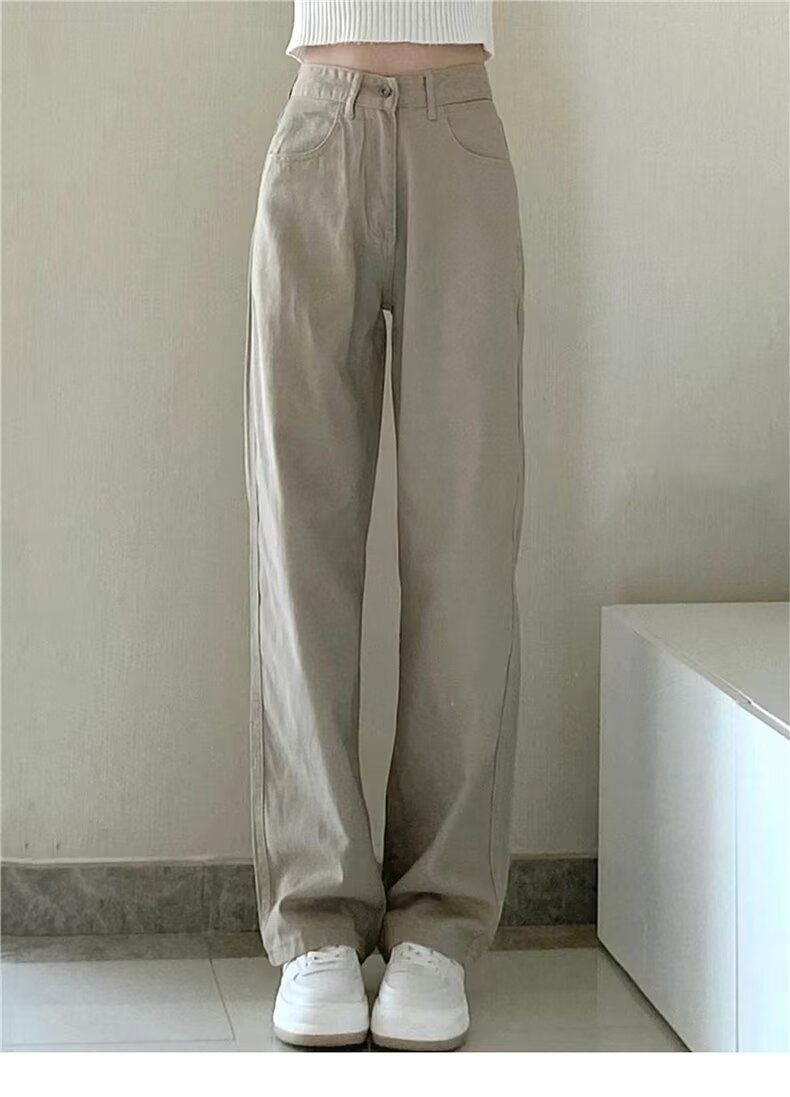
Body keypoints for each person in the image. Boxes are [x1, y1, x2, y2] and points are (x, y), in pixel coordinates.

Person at [242, 0, 525, 1051]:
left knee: (466, 539)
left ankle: (439, 922)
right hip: (318, 130)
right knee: (299, 543)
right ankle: (314, 915)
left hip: (460, 130)